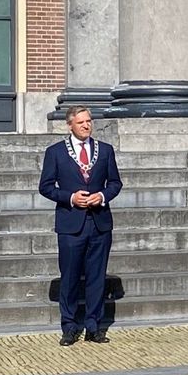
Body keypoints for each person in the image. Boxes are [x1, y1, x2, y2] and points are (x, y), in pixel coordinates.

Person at [39, 106, 122, 345]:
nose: (86, 125)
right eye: (81, 122)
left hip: (99, 223)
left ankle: (94, 326)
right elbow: (45, 187)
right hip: (71, 224)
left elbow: (115, 183)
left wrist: (102, 196)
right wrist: (70, 197)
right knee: (70, 277)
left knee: (97, 277)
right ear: (70, 125)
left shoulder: (105, 150)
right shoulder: (55, 152)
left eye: (89, 121)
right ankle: (69, 326)